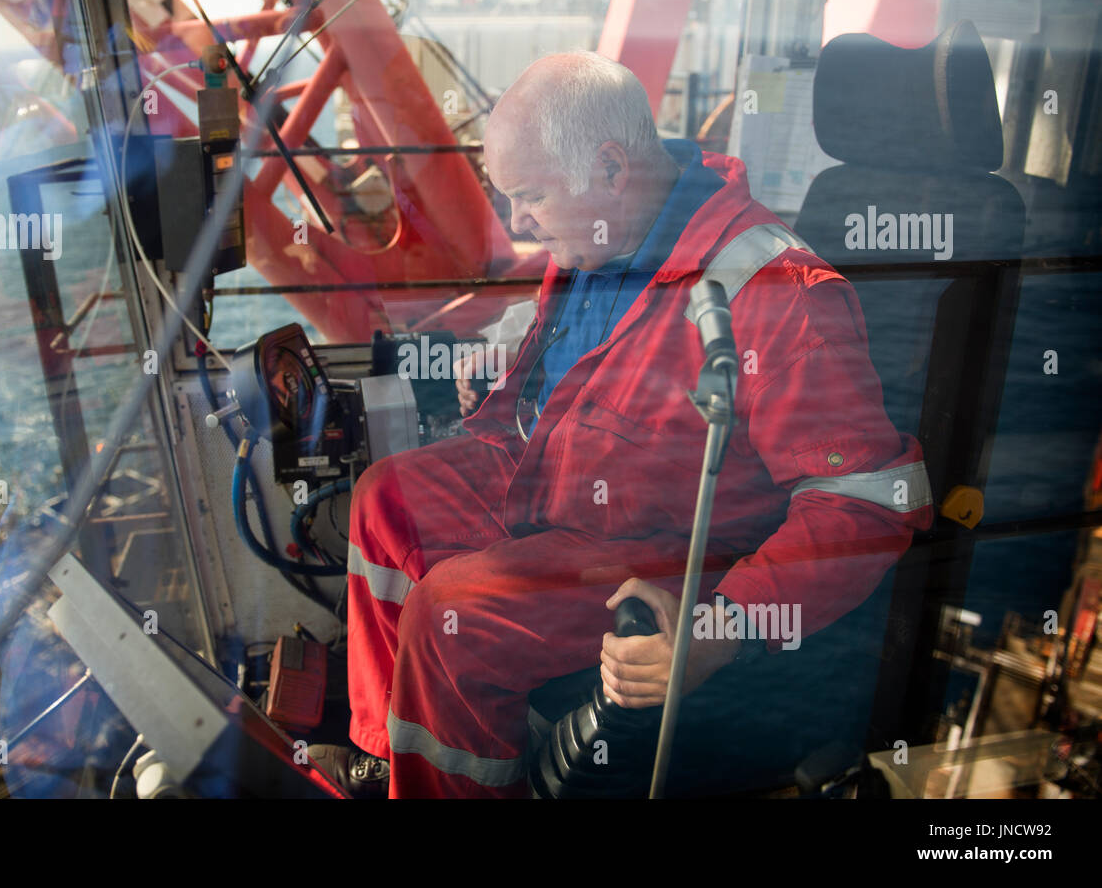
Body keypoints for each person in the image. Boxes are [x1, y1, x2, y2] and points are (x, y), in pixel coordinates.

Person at [309, 51, 933, 798]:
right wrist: (505, 379)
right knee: (387, 500)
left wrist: (723, 624)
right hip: (554, 481)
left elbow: (867, 502)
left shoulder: (772, 289)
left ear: (609, 167)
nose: (518, 224)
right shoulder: (602, 235)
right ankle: (391, 763)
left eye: (530, 196)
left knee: (455, 613)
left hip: (658, 548)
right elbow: (586, 367)